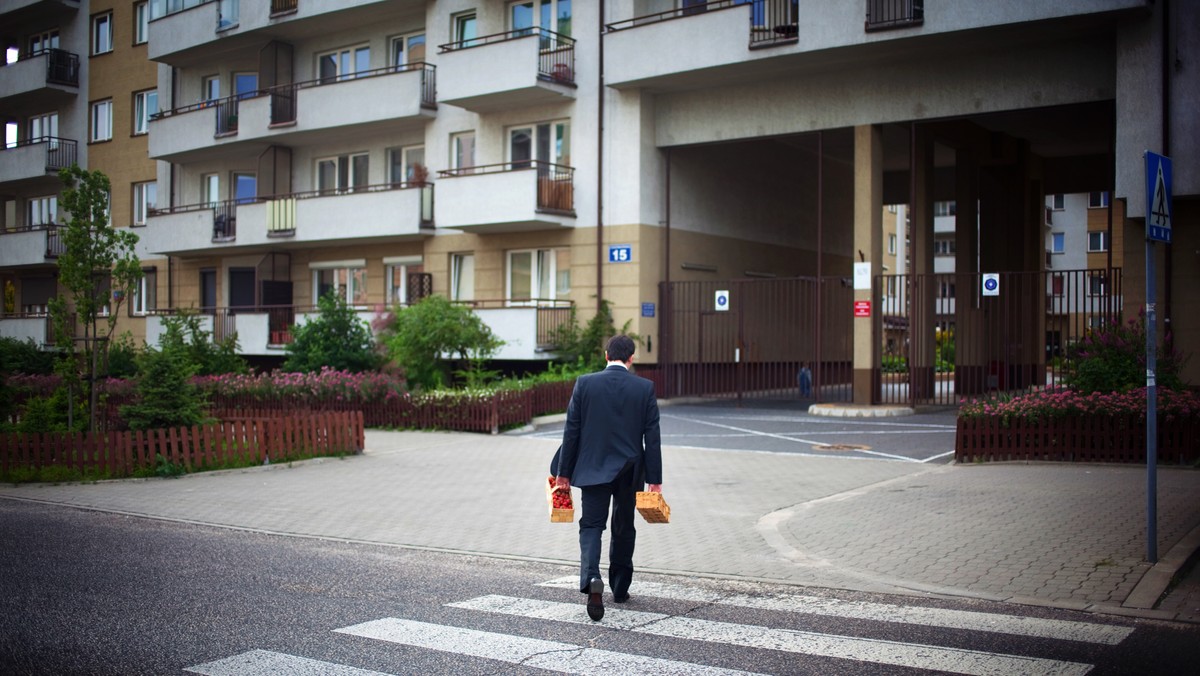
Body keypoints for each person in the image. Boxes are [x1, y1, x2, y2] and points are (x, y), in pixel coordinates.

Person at [555, 334, 662, 622]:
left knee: (591, 526)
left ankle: (592, 579)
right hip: (631, 470)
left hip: (592, 469)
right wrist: (655, 479)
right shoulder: (644, 388)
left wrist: (563, 473)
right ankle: (621, 586)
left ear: (605, 355)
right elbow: (652, 438)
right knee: (624, 526)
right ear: (631, 358)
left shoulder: (585, 383)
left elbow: (571, 431)